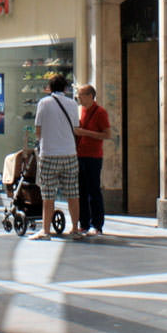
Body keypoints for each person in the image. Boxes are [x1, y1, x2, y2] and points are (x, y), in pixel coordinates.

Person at [33, 74, 84, 242]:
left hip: (49, 154)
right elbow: (76, 128)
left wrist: (40, 142)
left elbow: (38, 129)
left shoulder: (43, 103)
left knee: (48, 194)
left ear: (49, 87)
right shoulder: (72, 104)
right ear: (65, 88)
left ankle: (45, 231)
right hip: (69, 153)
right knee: (73, 193)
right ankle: (75, 228)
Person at [75, 83, 112, 238]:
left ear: (90, 96)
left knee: (93, 190)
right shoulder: (82, 111)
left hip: (93, 156)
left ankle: (97, 224)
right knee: (81, 191)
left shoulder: (100, 112)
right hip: (80, 155)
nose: (79, 98)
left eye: (81, 95)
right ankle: (83, 224)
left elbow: (107, 134)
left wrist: (85, 132)